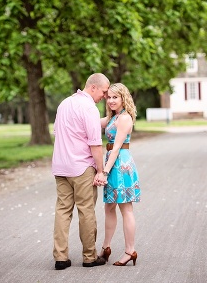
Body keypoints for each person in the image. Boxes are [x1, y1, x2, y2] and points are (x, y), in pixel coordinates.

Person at [51, 73, 110, 270]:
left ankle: (60, 257)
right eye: (103, 91)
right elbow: (95, 144)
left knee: (62, 211)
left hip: (61, 167)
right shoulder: (89, 108)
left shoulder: (64, 103)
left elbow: (60, 132)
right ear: (93, 87)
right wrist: (100, 171)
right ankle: (89, 256)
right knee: (86, 211)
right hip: (82, 168)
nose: (104, 96)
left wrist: (109, 118)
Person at [98, 83, 140, 266]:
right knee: (109, 207)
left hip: (120, 164)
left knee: (126, 209)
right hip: (111, 162)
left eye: (115, 97)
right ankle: (106, 247)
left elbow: (116, 149)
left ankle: (130, 251)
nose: (111, 100)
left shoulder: (124, 118)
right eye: (109, 97)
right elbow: (90, 121)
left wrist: (105, 171)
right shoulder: (113, 117)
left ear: (124, 98)